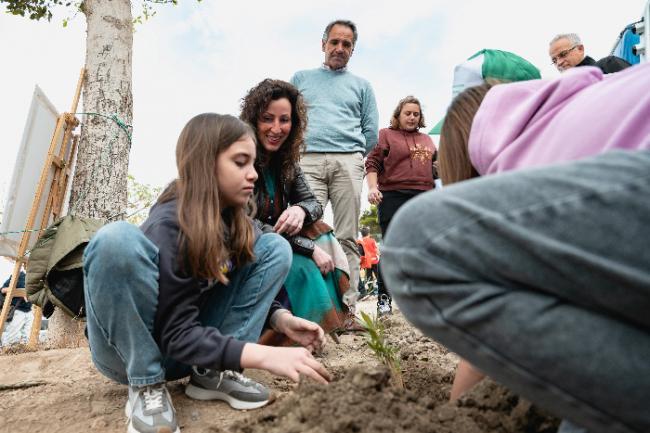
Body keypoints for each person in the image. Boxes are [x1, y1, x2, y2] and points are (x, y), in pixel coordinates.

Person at [382, 62, 650, 433]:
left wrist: (454, 418)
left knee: (418, 244)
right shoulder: (578, 109)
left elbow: (480, 355)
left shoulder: (523, 159)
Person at [83, 113, 330, 433]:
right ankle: (146, 386)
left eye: (253, 164)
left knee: (275, 247)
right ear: (204, 164)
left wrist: (281, 319)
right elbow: (174, 333)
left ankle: (213, 373)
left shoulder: (237, 221)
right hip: (128, 354)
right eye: (240, 162)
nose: (253, 174)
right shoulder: (170, 224)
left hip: (192, 349)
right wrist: (264, 356)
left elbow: (236, 285)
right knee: (115, 239)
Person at [240, 79, 355, 342]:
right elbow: (248, 224)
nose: (276, 128)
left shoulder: (287, 162)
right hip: (252, 248)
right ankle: (293, 333)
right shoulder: (242, 158)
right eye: (268, 119)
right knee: (306, 266)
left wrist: (301, 210)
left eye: (285, 120)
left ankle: (339, 319)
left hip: (282, 241)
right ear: (253, 120)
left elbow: (314, 204)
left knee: (324, 233)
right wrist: (309, 248)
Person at [290, 19, 379, 302]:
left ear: (353, 50)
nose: (340, 48)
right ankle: (314, 304)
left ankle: (348, 304)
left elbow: (370, 130)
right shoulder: (300, 79)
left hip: (348, 162)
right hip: (307, 162)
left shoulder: (362, 86)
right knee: (306, 231)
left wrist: (354, 157)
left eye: (347, 44)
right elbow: (289, 118)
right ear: (323, 44)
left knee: (348, 236)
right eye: (335, 42)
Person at [366, 95, 436, 316]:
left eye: (416, 114)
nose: (412, 117)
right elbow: (372, 163)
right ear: (398, 115)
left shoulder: (427, 140)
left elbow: (436, 168)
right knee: (392, 248)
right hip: (393, 195)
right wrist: (372, 188)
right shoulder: (385, 135)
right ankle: (384, 300)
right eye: (408, 113)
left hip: (424, 196)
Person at [549, 33, 631, 74]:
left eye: (563, 54)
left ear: (580, 49)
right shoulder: (563, 94)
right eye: (554, 60)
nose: (559, 63)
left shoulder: (609, 65)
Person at [0, 270, 33, 346]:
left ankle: (24, 351)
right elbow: (3, 289)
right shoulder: (17, 275)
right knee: (12, 336)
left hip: (29, 310)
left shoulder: (34, 277)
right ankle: (7, 350)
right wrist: (19, 292)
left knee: (27, 336)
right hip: (18, 310)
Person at [357, 226, 379, 297]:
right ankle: (381, 289)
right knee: (378, 276)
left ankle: (371, 291)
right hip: (375, 261)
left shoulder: (360, 242)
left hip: (367, 262)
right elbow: (376, 250)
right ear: (369, 234)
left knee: (369, 276)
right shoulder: (372, 240)